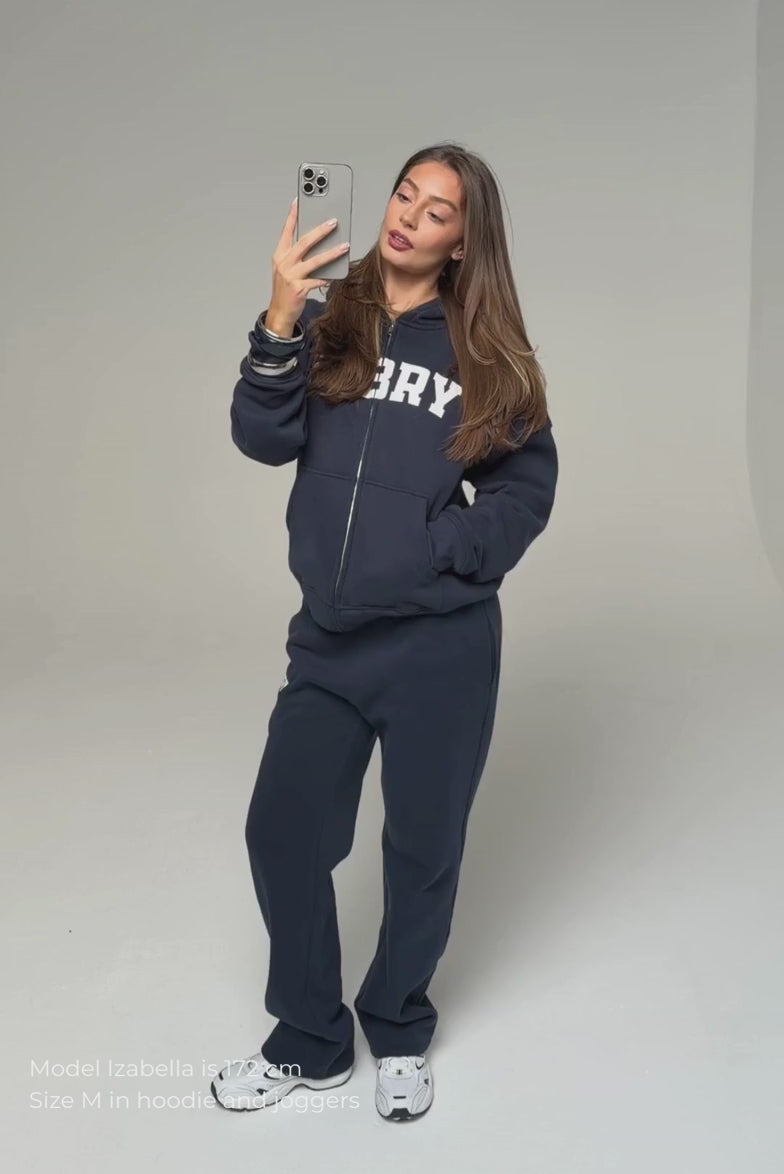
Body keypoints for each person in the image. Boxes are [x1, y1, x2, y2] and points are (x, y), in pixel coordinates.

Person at [211, 142, 559, 1121]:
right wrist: (280, 316)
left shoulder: (485, 351)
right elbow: (261, 438)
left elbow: (526, 488)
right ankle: (311, 1038)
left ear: (463, 243)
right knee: (282, 832)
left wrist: (438, 550)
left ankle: (399, 1026)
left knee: (422, 851)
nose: (408, 216)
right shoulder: (331, 321)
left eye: (437, 210)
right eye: (405, 195)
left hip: (440, 649)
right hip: (330, 640)